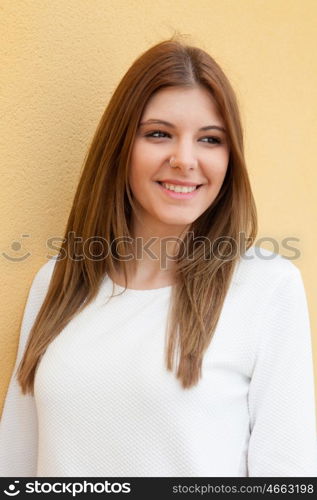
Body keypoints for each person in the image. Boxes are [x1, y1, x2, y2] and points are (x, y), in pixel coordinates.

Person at [0, 36, 316, 478]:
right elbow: (15, 462)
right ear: (120, 147)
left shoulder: (267, 287)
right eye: (158, 134)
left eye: (210, 139)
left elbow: (290, 475)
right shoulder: (58, 281)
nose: (185, 160)